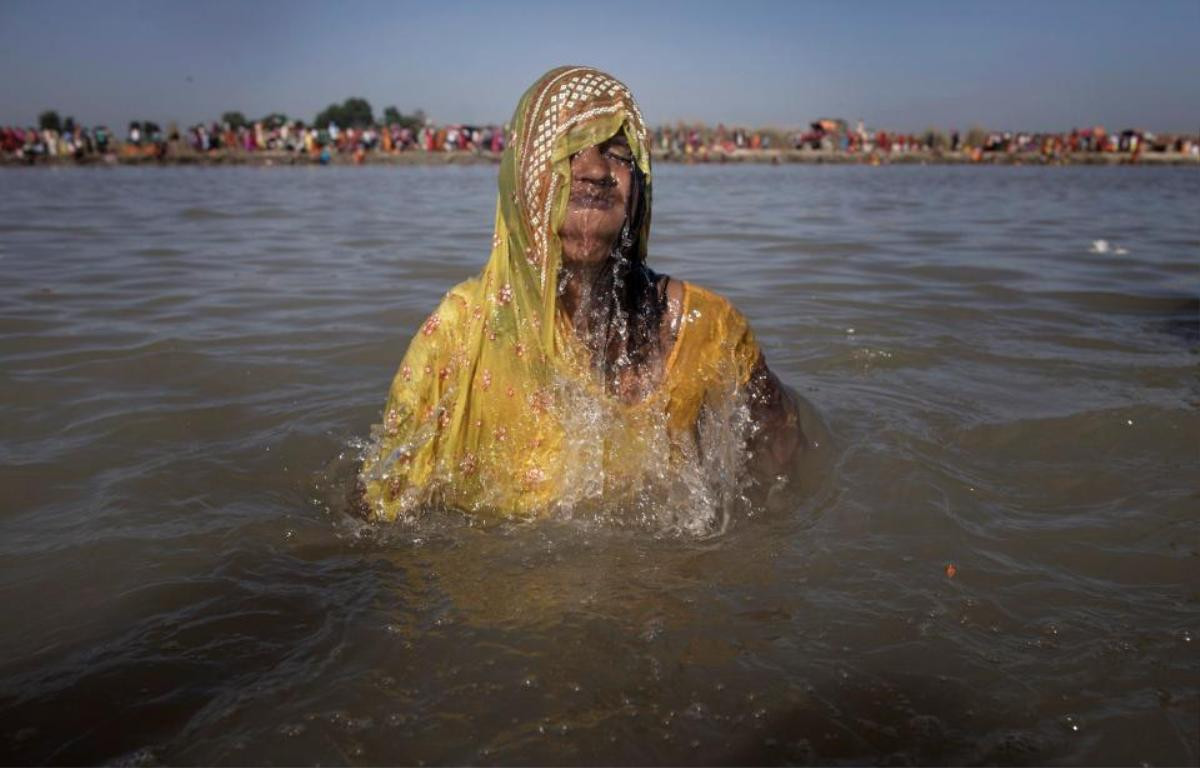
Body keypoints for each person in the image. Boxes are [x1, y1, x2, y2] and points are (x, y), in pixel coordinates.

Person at [360, 66, 811, 522]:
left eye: (617, 154)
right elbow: (381, 511)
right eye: (569, 150)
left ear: (640, 189)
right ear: (525, 180)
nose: (595, 170)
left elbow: (783, 465)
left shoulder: (706, 329)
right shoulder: (459, 333)